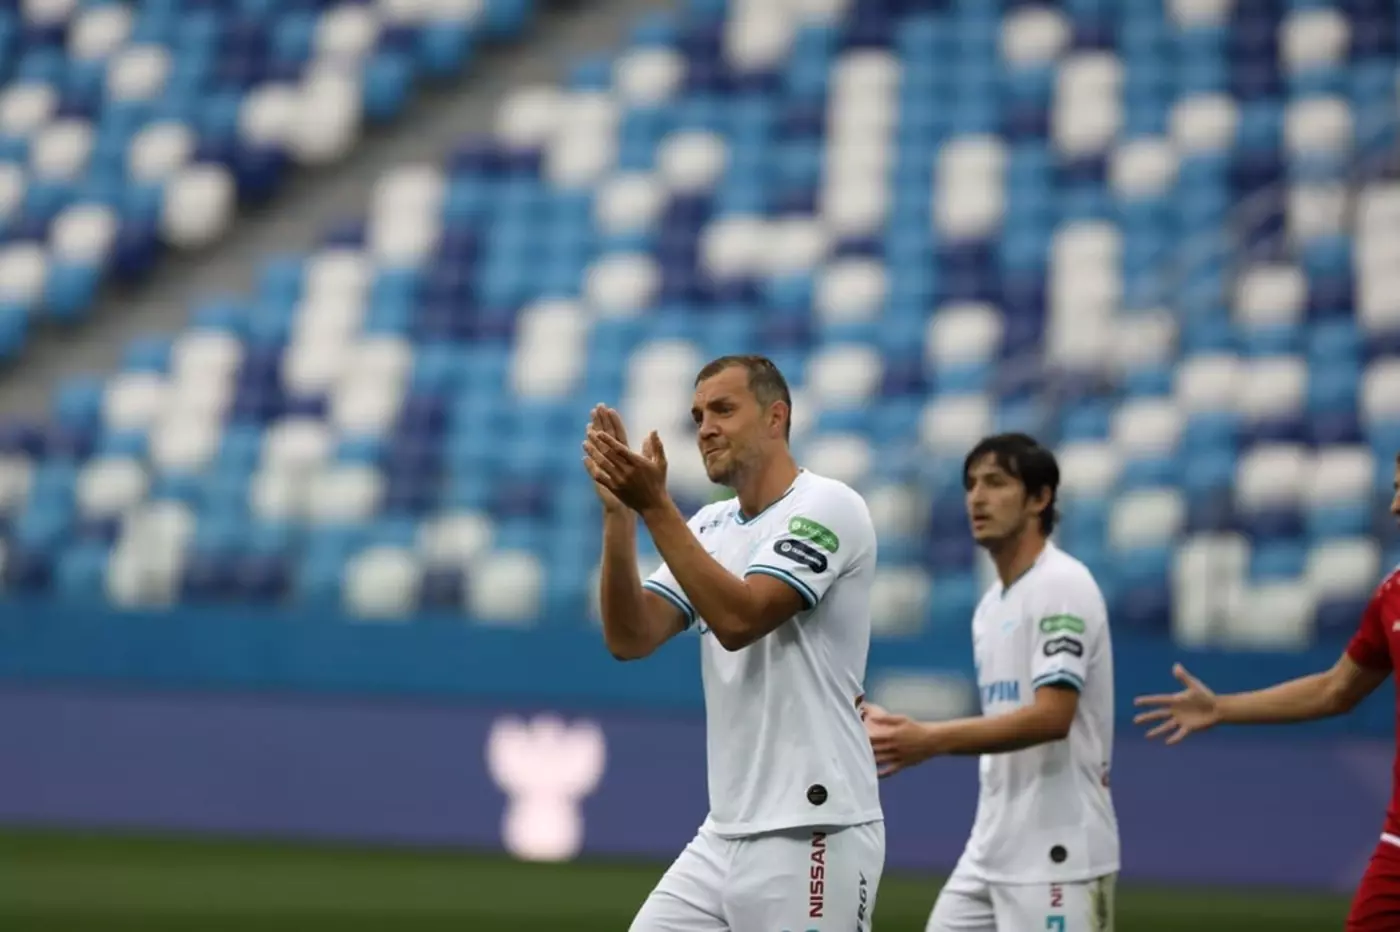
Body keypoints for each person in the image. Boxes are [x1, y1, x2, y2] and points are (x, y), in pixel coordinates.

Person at [582, 354, 885, 932]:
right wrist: (620, 517)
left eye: (723, 409)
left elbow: (741, 619)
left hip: (814, 827)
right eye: (697, 416)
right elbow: (630, 636)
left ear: (776, 417)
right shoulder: (710, 526)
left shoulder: (828, 506)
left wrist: (655, 507)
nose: (705, 428)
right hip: (723, 832)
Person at [863, 433, 1119, 931]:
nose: (977, 498)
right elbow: (1009, 716)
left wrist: (930, 738)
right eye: (971, 484)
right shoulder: (990, 607)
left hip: (1059, 853)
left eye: (996, 483)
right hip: (991, 848)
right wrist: (911, 732)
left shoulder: (1062, 585)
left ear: (1040, 498)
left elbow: (1052, 717)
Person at [1133, 457, 1400, 932]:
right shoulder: (1392, 594)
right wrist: (1221, 707)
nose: (1395, 506)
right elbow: (1335, 689)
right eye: (1395, 488)